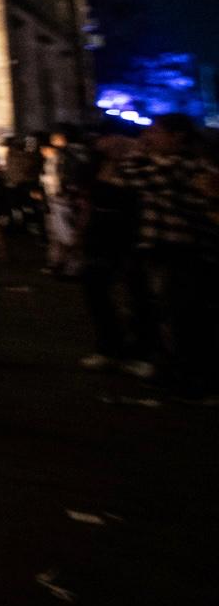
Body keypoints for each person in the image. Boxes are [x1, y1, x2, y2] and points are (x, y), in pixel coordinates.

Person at [110, 114, 219, 402]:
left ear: (177, 137)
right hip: (164, 248)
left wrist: (134, 152)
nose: (149, 138)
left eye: (155, 133)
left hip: (183, 250)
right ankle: (177, 371)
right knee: (170, 313)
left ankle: (193, 380)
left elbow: (127, 176)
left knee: (184, 317)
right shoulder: (178, 166)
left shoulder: (184, 166)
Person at [76, 130, 145, 372]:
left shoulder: (140, 166)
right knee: (97, 293)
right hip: (99, 235)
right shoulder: (96, 165)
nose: (103, 143)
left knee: (138, 297)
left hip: (132, 237)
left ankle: (140, 354)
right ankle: (108, 348)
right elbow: (88, 199)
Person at [41, 126, 87, 277]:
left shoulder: (68, 154)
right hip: (62, 197)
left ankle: (72, 267)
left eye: (55, 139)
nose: (53, 142)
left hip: (65, 198)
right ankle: (63, 264)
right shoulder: (68, 154)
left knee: (68, 234)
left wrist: (66, 190)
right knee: (63, 234)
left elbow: (68, 176)